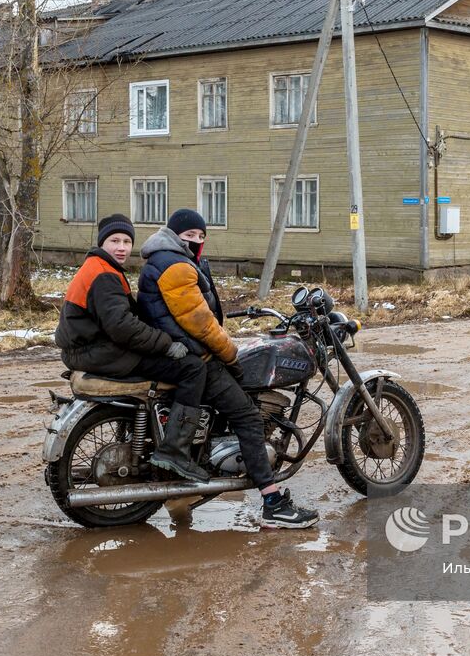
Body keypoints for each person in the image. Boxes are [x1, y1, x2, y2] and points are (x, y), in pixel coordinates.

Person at [138, 208, 318, 529]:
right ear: (174, 235)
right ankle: (273, 502)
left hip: (178, 353)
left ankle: (194, 478)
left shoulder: (170, 260)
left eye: (201, 236)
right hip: (195, 356)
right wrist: (230, 354)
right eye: (189, 235)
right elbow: (201, 324)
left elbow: (197, 311)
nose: (195, 241)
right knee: (248, 416)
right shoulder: (175, 265)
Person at [53, 213, 212, 482]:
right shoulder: (103, 274)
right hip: (101, 351)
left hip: (90, 348)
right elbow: (122, 327)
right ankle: (175, 451)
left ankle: (161, 432)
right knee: (192, 369)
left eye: (127, 241)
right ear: (102, 242)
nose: (122, 247)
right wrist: (166, 344)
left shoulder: (101, 268)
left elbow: (124, 320)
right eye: (115, 240)